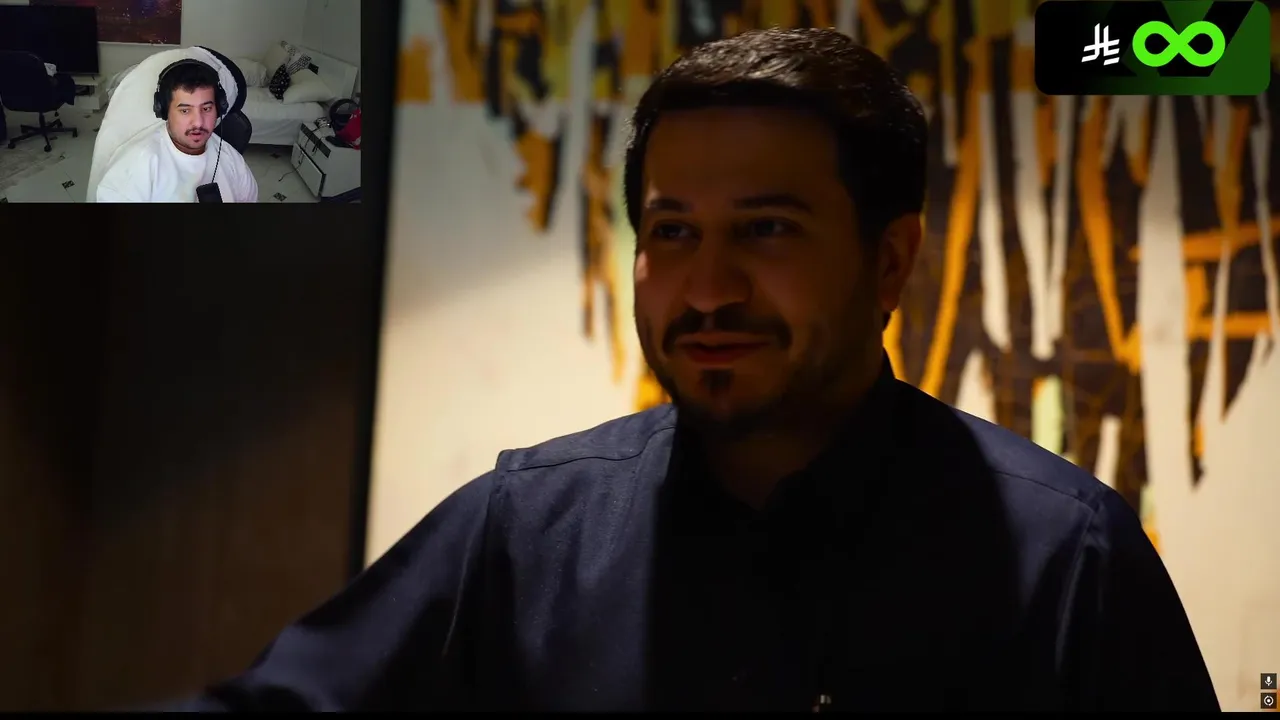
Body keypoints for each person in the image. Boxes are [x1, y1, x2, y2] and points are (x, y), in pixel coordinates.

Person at [171, 28, 1218, 711]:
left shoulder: (1068, 559)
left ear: (890, 260)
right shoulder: (525, 531)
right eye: (671, 232)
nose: (707, 288)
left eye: (766, 229)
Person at [95, 59, 257, 203]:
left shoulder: (232, 161)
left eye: (206, 108)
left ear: (219, 108)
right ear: (164, 111)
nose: (198, 122)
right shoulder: (133, 171)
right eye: (185, 111)